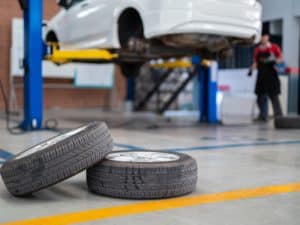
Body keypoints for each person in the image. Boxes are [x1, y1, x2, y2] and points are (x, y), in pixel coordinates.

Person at [248, 32, 283, 122]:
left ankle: (278, 116)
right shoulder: (257, 49)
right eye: (261, 37)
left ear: (268, 37)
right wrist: (251, 69)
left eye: (264, 36)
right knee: (260, 97)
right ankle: (263, 115)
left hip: (271, 75)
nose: (263, 38)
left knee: (274, 96)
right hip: (261, 76)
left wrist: (274, 60)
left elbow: (280, 59)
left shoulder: (274, 47)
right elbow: (255, 62)